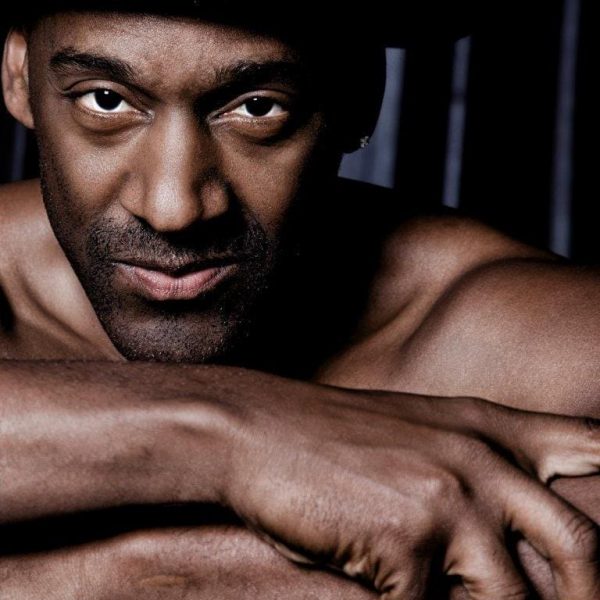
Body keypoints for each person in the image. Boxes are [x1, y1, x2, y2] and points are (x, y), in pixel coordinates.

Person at [1, 3, 599, 599]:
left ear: (360, 98)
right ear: (19, 76)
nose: (173, 208)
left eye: (258, 108)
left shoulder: (554, 348)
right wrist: (233, 436)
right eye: (106, 100)